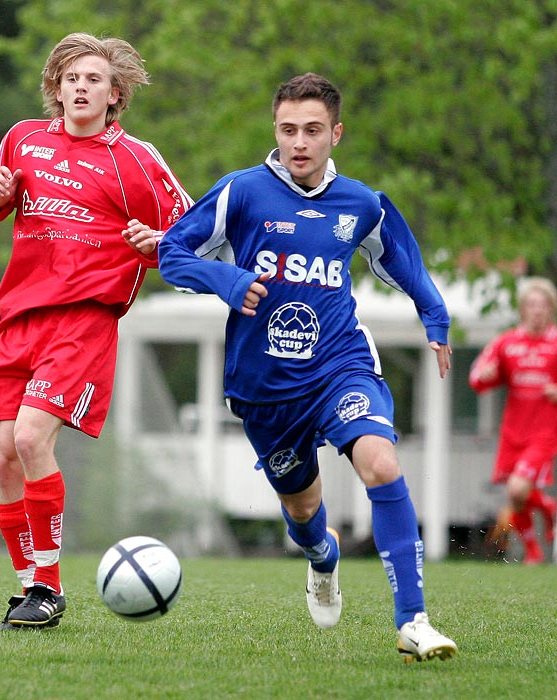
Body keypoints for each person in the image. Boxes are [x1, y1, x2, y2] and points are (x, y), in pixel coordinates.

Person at [158, 73, 458, 662]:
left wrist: (435, 317)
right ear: (275, 130)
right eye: (288, 129)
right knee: (301, 508)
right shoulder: (242, 192)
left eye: (313, 131)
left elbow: (404, 263)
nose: (299, 142)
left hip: (338, 363)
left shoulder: (360, 204)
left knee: (380, 461)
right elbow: (173, 251)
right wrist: (229, 279)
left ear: (335, 135)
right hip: (265, 387)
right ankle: (323, 558)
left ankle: (413, 620)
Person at [0, 32, 191, 629]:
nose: (81, 87)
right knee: (1, 456)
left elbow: (188, 229)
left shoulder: (137, 159)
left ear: (115, 94)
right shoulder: (24, 140)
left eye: (94, 79)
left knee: (32, 440)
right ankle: (27, 588)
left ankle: (49, 587)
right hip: (18, 317)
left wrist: (158, 245)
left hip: (83, 319)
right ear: (56, 89)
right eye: (71, 78)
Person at [469, 277, 557, 565]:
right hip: (512, 433)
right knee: (516, 497)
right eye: (532, 305)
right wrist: (485, 375)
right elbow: (477, 376)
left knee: (517, 489)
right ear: (523, 310)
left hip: (543, 432)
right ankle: (533, 547)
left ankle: (548, 510)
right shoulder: (507, 342)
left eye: (543, 305)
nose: (537, 311)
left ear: (550, 309)